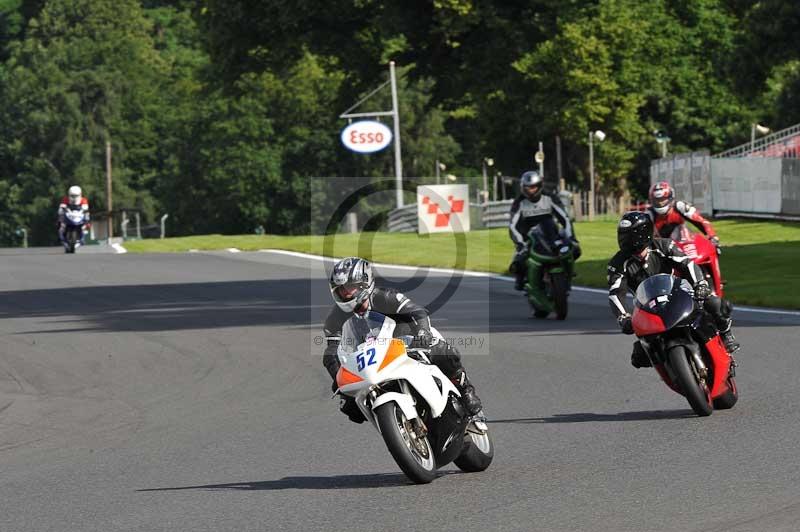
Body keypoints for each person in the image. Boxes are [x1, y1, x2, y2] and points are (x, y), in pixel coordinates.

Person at [322, 257, 483, 423]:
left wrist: (422, 334)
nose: (346, 293)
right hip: (371, 362)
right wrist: (339, 379)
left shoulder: (385, 297)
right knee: (348, 405)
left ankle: (465, 391)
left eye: (349, 287)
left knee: (441, 350)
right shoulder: (334, 319)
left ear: (364, 283)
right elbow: (331, 352)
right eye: (341, 290)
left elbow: (417, 312)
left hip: (406, 345)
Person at [607, 211, 739, 368]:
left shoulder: (663, 245)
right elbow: (616, 293)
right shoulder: (617, 263)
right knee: (639, 357)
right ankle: (670, 369)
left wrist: (700, 284)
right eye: (623, 235)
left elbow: (687, 264)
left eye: (629, 235)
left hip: (678, 294)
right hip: (647, 308)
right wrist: (623, 317)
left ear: (643, 233)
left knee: (714, 303)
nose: (625, 240)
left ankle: (725, 334)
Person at [509, 170, 579, 291]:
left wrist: (571, 237)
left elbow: (565, 218)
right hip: (528, 237)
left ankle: (568, 274)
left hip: (550, 233)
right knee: (517, 264)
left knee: (575, 250)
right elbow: (513, 226)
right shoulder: (519, 202)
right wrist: (520, 244)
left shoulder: (550, 197)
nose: (531, 190)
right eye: (528, 187)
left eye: (533, 187)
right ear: (522, 188)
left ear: (540, 186)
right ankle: (521, 279)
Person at [648, 181, 720, 250]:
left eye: (663, 199)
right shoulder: (649, 214)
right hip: (661, 247)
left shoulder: (680, 206)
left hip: (684, 244)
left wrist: (712, 236)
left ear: (670, 197)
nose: (660, 203)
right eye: (657, 200)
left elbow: (701, 221)